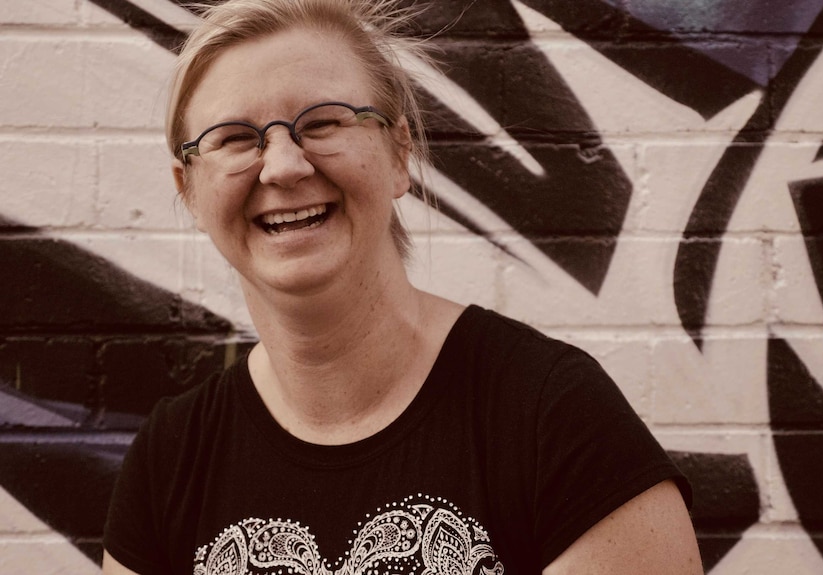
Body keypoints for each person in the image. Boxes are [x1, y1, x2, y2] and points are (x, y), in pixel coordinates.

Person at [102, 0, 703, 573]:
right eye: (234, 138)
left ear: (398, 153)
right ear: (189, 189)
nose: (284, 166)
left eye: (324, 122)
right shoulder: (171, 459)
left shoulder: (554, 417)